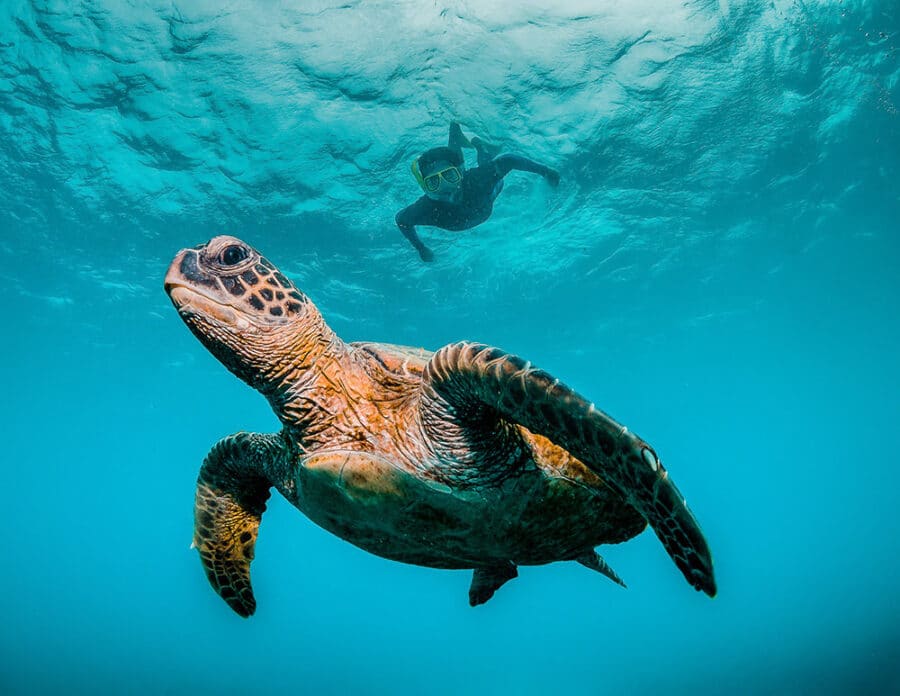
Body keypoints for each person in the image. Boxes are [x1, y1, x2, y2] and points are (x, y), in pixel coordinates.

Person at [396, 122, 560, 262]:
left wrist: (545, 171)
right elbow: (402, 221)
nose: (445, 187)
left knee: (486, 165)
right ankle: (456, 134)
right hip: (483, 203)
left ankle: (479, 146)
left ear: (460, 174)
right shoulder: (425, 208)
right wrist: (420, 248)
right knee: (464, 164)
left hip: (491, 191)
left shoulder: (476, 180)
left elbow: (509, 160)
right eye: (434, 182)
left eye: (450, 176)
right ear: (425, 187)